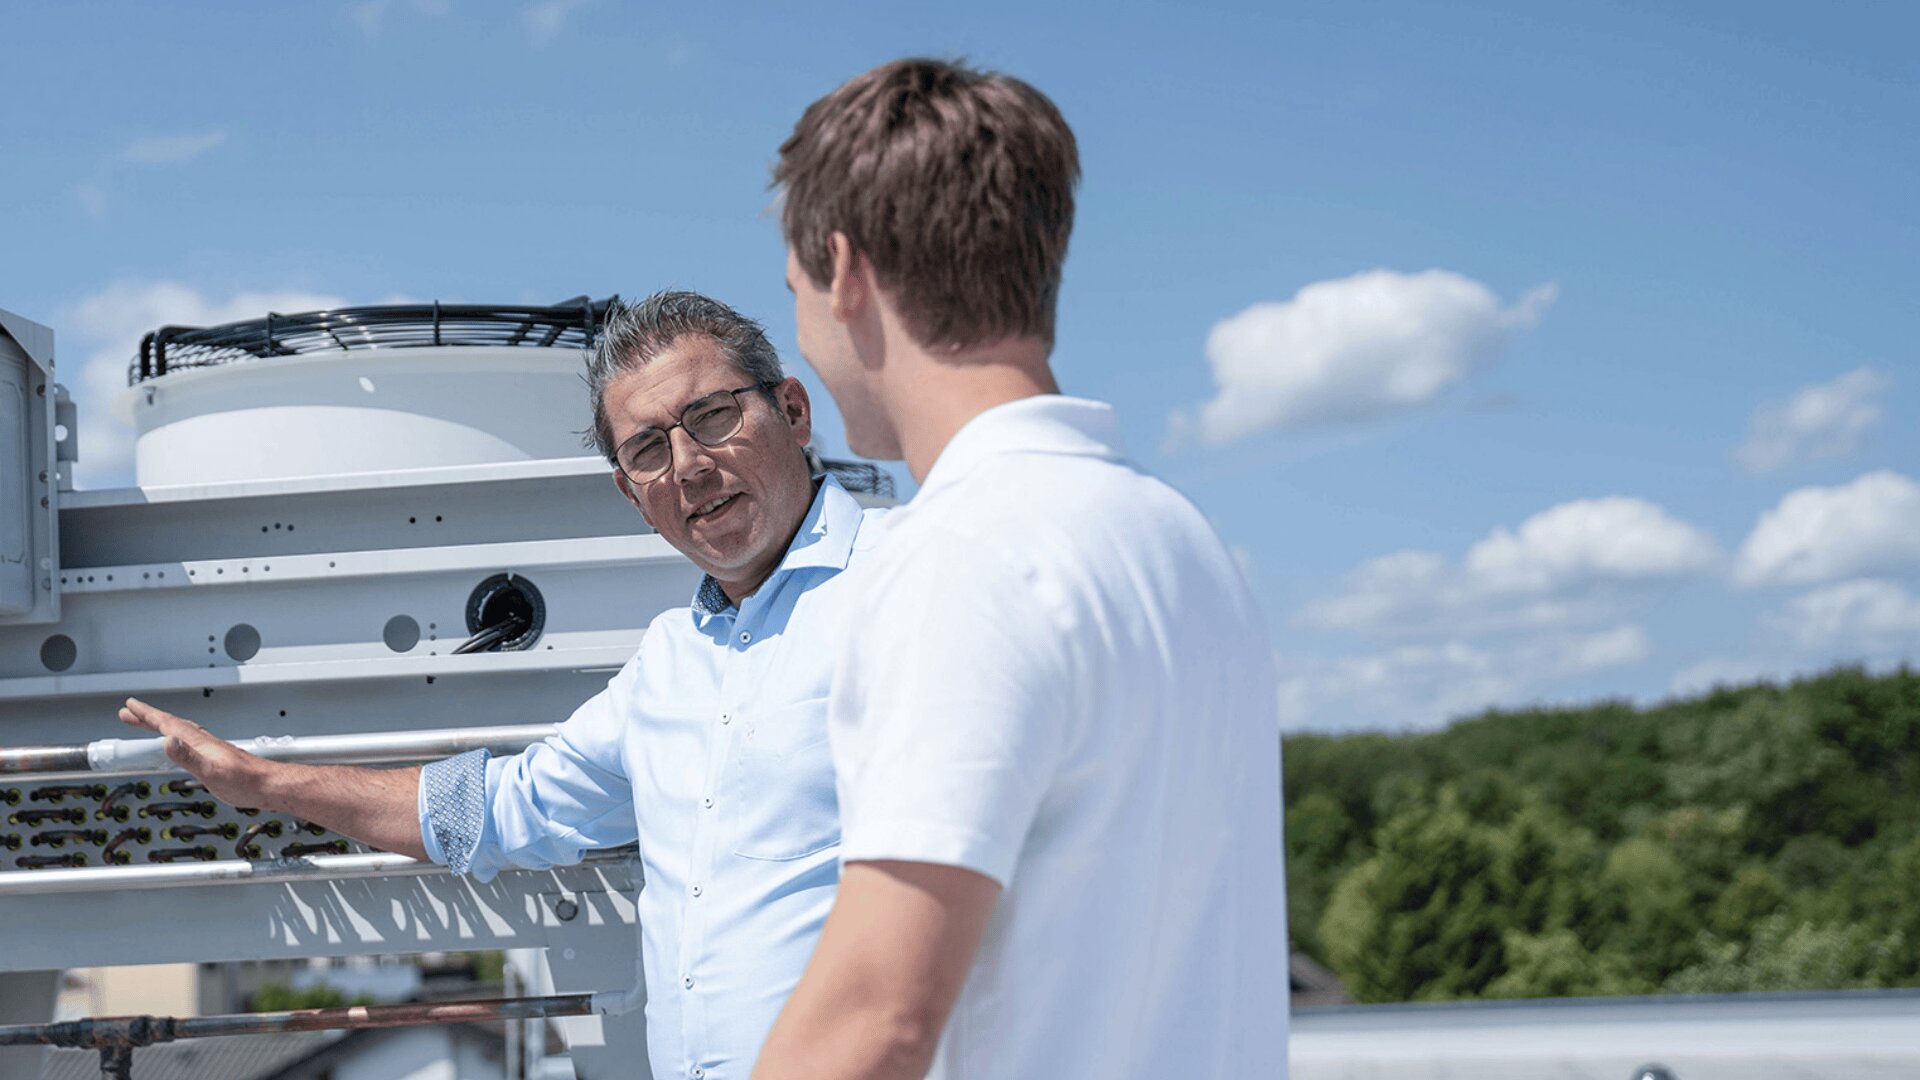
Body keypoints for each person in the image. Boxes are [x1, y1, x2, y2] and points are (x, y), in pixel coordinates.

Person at [118, 290, 886, 1080]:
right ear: (631, 494)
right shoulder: (670, 665)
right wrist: (265, 781)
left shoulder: (909, 582)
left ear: (791, 410)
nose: (688, 465)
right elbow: (500, 807)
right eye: (648, 449)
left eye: (714, 416)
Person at [750, 59, 1289, 1079]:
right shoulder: (1182, 543)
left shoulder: (962, 557)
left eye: (796, 295)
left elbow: (874, 1022)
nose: (805, 340)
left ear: (844, 267)